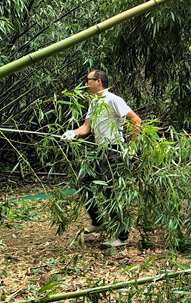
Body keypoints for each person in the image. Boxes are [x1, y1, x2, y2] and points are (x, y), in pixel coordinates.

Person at [61, 69, 142, 248]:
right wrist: (73, 133)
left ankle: (122, 237)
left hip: (114, 151)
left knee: (110, 193)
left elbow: (136, 121)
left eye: (88, 80)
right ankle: (97, 221)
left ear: (98, 81)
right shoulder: (94, 102)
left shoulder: (113, 99)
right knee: (82, 181)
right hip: (99, 150)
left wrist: (131, 147)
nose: (86, 83)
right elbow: (86, 127)